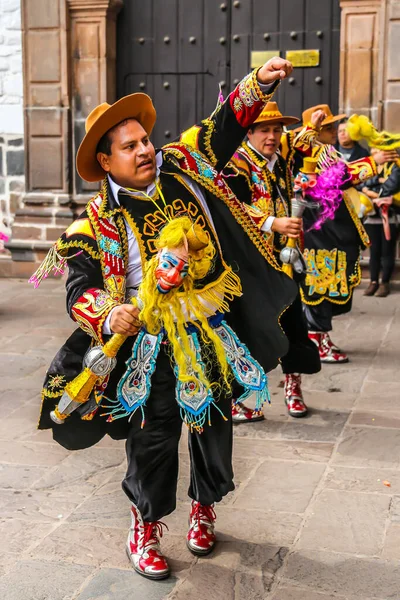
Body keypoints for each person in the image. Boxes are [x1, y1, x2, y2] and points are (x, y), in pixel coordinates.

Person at [31, 58, 297, 580]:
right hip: (150, 347)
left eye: (145, 140)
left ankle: (205, 508)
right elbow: (79, 288)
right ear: (106, 162)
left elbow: (221, 130)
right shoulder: (94, 223)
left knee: (214, 426)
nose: (146, 150)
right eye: (129, 147)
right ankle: (145, 527)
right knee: (152, 438)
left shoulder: (181, 166)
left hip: (209, 334)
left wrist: (258, 83)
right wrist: (110, 312)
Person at [222, 102, 321, 421]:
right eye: (264, 129)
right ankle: (237, 398)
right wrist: (272, 223)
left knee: (295, 324)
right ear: (248, 132)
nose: (272, 136)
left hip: (287, 260)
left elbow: (300, 141)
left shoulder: (283, 157)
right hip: (250, 264)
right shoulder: (235, 164)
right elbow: (230, 207)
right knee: (245, 330)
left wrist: (314, 125)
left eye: (277, 129)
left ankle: (293, 387)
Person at [296, 104, 377, 363]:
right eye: (328, 127)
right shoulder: (307, 154)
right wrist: (374, 163)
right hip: (320, 233)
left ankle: (320, 336)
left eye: (333, 126)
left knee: (329, 284)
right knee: (320, 284)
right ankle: (315, 340)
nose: (334, 131)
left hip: (331, 231)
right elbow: (335, 180)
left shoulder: (327, 152)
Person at [361, 150, 400, 297]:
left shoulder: (395, 167)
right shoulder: (367, 167)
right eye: (374, 150)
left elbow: (391, 187)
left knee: (387, 251)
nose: (377, 153)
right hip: (372, 217)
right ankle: (373, 282)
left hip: (389, 217)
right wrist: (377, 183)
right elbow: (360, 185)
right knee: (374, 252)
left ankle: (385, 282)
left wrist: (370, 191)